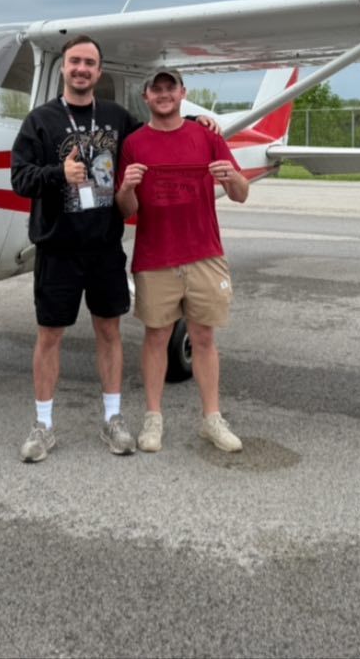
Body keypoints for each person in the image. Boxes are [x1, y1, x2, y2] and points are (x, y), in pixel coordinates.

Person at [9, 37, 219, 463]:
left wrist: (202, 125)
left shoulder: (118, 117)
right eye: (74, 62)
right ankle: (43, 425)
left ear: (99, 72)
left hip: (105, 247)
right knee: (50, 335)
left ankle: (113, 418)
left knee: (110, 332)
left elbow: (163, 132)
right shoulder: (39, 121)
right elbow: (20, 179)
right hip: (58, 248)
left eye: (89, 63)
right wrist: (58, 173)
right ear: (64, 69)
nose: (81, 69)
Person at [115, 68, 249, 454]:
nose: (163, 94)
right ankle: (153, 419)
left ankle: (212, 419)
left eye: (169, 88)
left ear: (182, 94)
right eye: (155, 89)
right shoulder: (134, 144)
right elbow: (126, 210)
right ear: (145, 97)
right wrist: (126, 187)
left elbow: (240, 194)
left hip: (204, 253)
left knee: (204, 337)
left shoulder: (207, 136)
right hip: (155, 256)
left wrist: (231, 177)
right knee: (156, 336)